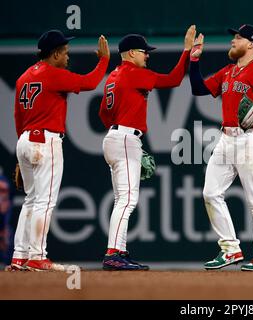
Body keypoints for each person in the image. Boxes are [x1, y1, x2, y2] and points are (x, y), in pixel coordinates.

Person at [11, 29, 110, 271]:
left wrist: (21, 151)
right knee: (45, 201)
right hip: (46, 141)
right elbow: (89, 82)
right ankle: (37, 255)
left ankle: (19, 256)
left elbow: (17, 116)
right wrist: (104, 60)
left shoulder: (24, 77)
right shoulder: (53, 75)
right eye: (65, 53)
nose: (67, 57)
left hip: (25, 139)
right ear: (54, 54)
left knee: (31, 200)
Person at [99, 26, 196, 271]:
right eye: (144, 52)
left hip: (114, 136)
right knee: (128, 200)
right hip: (124, 139)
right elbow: (173, 79)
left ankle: (119, 251)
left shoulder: (114, 76)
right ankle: (113, 253)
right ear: (131, 53)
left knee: (122, 198)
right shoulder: (132, 73)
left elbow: (103, 114)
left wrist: (121, 130)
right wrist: (186, 51)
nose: (148, 55)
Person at [189, 24, 253, 271]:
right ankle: (230, 248)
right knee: (210, 192)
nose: (233, 41)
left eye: (238, 38)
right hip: (226, 138)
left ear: (251, 44)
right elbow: (199, 88)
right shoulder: (228, 72)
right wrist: (194, 60)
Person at [0, 175, 14, 267]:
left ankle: (5, 262)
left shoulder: (3, 180)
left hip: (3, 219)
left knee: (6, 235)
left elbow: (5, 186)